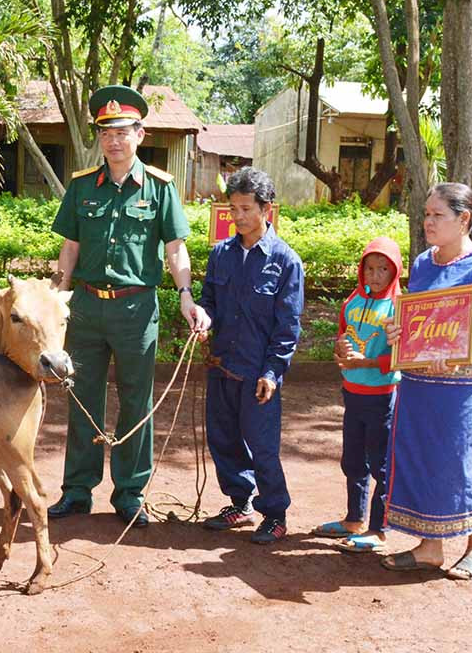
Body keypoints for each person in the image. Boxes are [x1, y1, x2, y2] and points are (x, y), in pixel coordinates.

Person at [48, 84, 210, 528]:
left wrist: (186, 297)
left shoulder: (160, 189)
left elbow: (176, 249)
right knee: (83, 398)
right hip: (85, 308)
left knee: (137, 401)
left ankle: (130, 494)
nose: (113, 141)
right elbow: (70, 247)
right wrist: (58, 293)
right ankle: (77, 491)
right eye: (106, 133)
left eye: (122, 132)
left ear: (140, 134)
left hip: (136, 311)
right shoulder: (82, 187)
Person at [381, 182, 472, 579]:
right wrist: (398, 332)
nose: (428, 222)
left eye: (437, 215)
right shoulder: (424, 263)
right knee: (421, 458)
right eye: (426, 214)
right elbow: (417, 317)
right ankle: (430, 547)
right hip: (419, 382)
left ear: (464, 220)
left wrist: (459, 347)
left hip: (462, 386)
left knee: (458, 460)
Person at [197, 167, 304, 544]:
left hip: (258, 374)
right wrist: (202, 318)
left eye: (245, 208)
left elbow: (287, 328)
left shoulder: (286, 261)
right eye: (233, 208)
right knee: (222, 439)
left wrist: (273, 373)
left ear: (266, 210)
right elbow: (209, 301)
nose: (238, 216)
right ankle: (239, 503)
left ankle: (274, 513)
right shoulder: (220, 255)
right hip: (221, 366)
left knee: (262, 447)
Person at [313, 237, 403, 552]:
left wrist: (364, 362)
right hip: (352, 393)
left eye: (383, 269)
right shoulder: (352, 302)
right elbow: (342, 339)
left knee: (380, 463)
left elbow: (401, 357)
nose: (375, 275)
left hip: (382, 397)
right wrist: (340, 350)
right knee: (353, 460)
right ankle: (354, 520)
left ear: (395, 273)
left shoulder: (398, 307)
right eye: (369, 268)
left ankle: (378, 531)